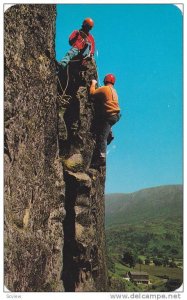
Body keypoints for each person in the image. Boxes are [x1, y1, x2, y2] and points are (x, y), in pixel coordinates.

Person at [90, 74, 121, 164]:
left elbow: (92, 93)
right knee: (104, 123)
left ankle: (101, 157)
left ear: (105, 80)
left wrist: (93, 83)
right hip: (115, 115)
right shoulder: (114, 91)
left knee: (102, 137)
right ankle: (109, 131)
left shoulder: (104, 89)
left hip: (109, 116)